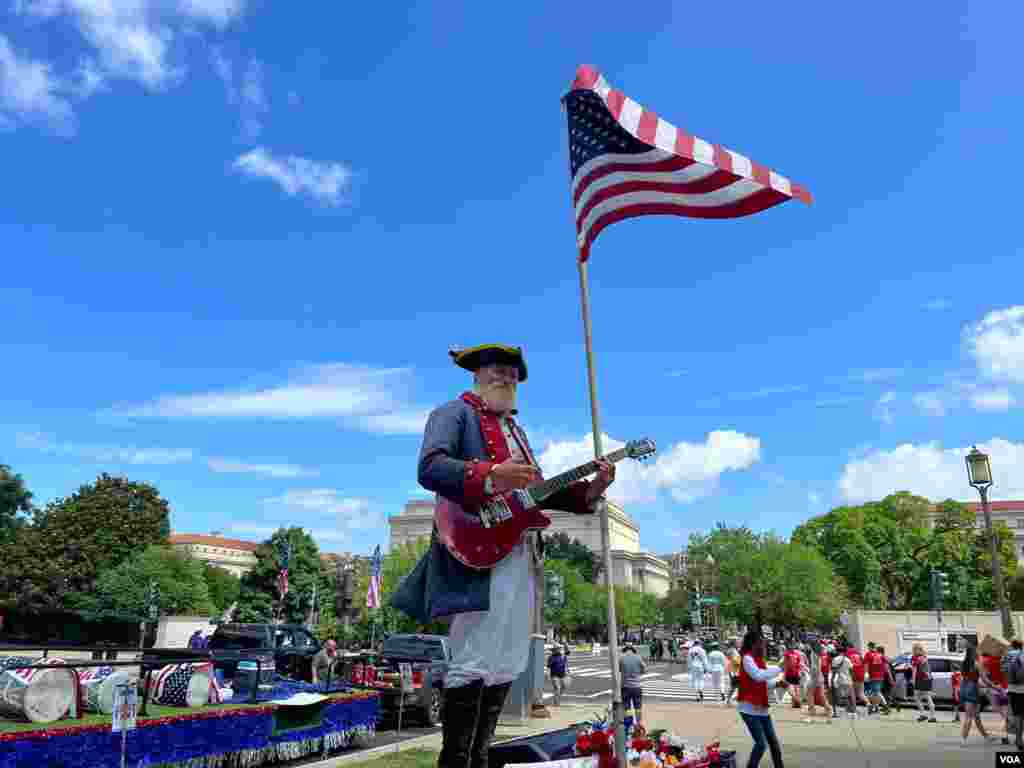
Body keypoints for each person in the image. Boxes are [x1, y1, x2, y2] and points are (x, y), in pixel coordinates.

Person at [390, 343, 616, 768]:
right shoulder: (453, 414)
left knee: (506, 662)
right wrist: (491, 474)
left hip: (520, 550)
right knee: (473, 658)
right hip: (478, 548)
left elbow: (539, 492)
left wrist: (594, 488)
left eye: (513, 373)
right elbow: (431, 467)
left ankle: (478, 758)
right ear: (476, 373)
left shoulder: (517, 431)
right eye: (498, 370)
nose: (507, 378)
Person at [737, 630, 785, 768]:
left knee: (773, 742)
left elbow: (762, 682)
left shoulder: (759, 660)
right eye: (761, 642)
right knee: (761, 744)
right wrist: (779, 668)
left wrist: (777, 683)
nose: (764, 645)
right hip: (749, 709)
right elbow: (758, 676)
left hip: (761, 709)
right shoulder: (747, 659)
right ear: (753, 644)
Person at [959, 645, 995, 746]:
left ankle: (986, 737)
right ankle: (963, 738)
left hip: (964, 688)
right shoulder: (977, 664)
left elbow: (967, 678)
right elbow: (985, 680)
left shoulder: (964, 664)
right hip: (973, 690)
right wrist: (994, 687)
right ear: (975, 653)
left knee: (976, 716)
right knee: (969, 716)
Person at [981, 647, 1011, 744]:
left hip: (993, 690)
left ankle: (1005, 733)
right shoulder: (1006, 661)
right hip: (1005, 689)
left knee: (1000, 713)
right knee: (1005, 713)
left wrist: (993, 686)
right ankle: (1006, 735)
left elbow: (985, 678)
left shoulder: (987, 661)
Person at [1003, 639, 1024, 749]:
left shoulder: (1007, 655)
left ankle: (1018, 739)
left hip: (1012, 689)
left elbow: (1003, 671)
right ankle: (1020, 738)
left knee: (1017, 715)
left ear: (1012, 645)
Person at [804, 641, 832, 721]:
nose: (807, 646)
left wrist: (810, 671)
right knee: (819, 695)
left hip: (815, 676)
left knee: (810, 693)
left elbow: (816, 667)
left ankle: (813, 711)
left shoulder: (814, 654)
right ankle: (827, 709)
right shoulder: (818, 654)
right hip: (817, 676)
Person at [909, 642, 937, 723]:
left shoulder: (915, 658)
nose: (913, 650)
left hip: (920, 679)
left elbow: (914, 670)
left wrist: (913, 680)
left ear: (916, 650)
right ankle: (932, 716)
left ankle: (923, 714)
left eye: (914, 649)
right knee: (927, 697)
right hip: (928, 679)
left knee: (917, 697)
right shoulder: (924, 657)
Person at [621, 645, 647, 726]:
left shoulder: (621, 658)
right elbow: (644, 669)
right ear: (633, 650)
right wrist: (639, 672)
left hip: (626, 686)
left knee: (627, 707)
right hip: (637, 686)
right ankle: (639, 724)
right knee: (638, 707)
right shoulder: (638, 657)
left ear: (625, 650)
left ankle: (629, 724)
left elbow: (619, 669)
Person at [830, 644, 856, 720]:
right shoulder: (847, 659)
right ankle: (852, 711)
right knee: (850, 696)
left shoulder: (835, 659)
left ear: (838, 651)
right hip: (848, 679)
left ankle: (839, 712)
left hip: (840, 679)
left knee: (840, 696)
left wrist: (832, 679)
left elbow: (834, 670)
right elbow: (851, 670)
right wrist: (852, 678)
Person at [863, 642, 889, 715]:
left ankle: (886, 706)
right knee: (875, 692)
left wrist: (866, 673)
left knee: (876, 692)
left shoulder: (868, 654)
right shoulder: (880, 654)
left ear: (869, 647)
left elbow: (866, 664)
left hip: (873, 676)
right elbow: (886, 663)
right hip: (881, 676)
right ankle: (876, 707)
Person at [845, 643, 867, 711]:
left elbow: (846, 665)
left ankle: (852, 708)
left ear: (848, 647)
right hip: (861, 674)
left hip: (852, 674)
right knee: (861, 693)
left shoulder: (847, 653)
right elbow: (864, 663)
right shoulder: (858, 653)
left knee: (851, 692)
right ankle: (869, 704)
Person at [782, 643, 803, 709]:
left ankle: (796, 700)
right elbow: (800, 664)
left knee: (789, 687)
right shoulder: (798, 654)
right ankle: (795, 704)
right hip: (796, 673)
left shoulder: (787, 654)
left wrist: (784, 674)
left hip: (790, 673)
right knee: (796, 688)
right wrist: (800, 672)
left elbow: (785, 664)